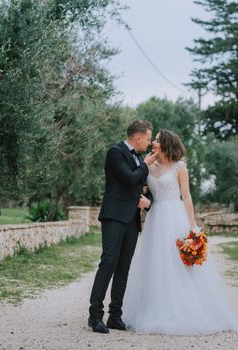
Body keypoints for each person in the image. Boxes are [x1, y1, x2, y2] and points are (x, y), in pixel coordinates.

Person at [121, 129, 238, 335]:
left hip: (175, 216)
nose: (153, 143)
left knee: (178, 262)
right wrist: (143, 195)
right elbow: (140, 189)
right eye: (152, 140)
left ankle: (187, 309)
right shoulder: (148, 166)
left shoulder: (179, 166)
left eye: (156, 140)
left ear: (166, 144)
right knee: (157, 262)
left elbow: (187, 196)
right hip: (155, 218)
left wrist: (193, 225)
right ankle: (156, 308)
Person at [88, 120, 157, 334]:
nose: (149, 142)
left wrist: (148, 198)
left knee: (123, 268)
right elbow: (129, 178)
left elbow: (140, 186)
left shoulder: (137, 158)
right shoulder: (115, 152)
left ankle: (114, 316)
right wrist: (146, 164)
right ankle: (95, 316)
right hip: (114, 216)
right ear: (137, 138)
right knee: (108, 262)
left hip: (132, 220)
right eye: (147, 138)